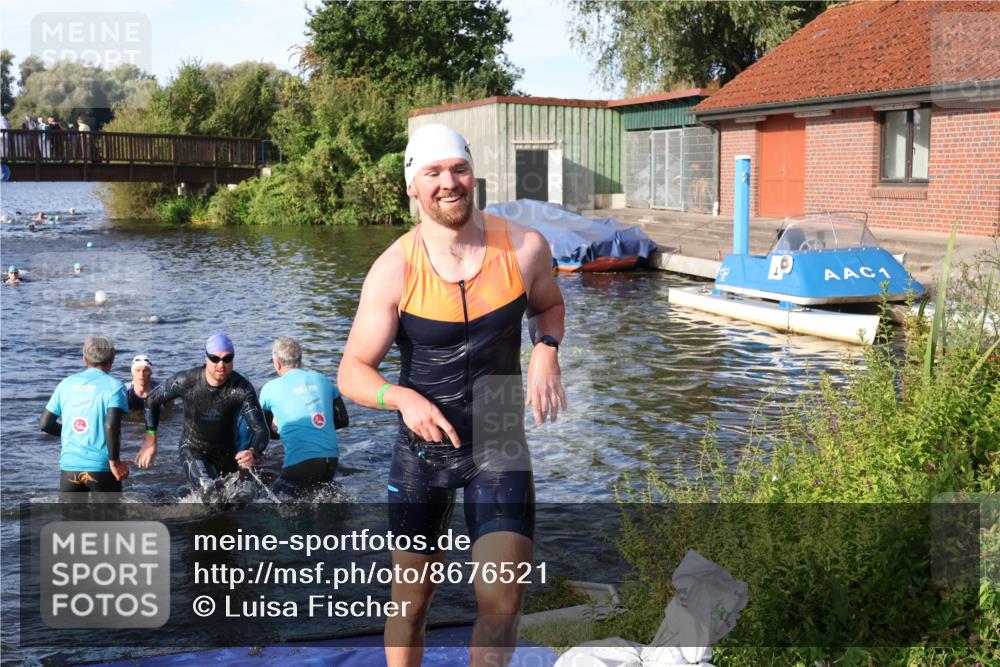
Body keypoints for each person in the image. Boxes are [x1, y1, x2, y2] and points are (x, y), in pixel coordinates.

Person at [338, 123, 567, 667]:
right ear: (412, 187)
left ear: (473, 175)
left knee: (502, 601)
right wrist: (400, 398)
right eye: (433, 173)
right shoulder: (394, 269)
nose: (449, 183)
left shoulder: (525, 248)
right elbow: (352, 370)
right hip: (424, 450)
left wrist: (547, 348)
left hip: (499, 438)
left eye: (459, 169)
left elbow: (549, 307)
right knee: (412, 605)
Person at [145, 333, 269, 491]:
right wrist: (151, 439)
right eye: (215, 359)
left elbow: (261, 430)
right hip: (193, 447)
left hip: (227, 452)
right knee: (208, 491)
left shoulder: (242, 389)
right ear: (206, 359)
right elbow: (151, 400)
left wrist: (253, 452)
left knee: (234, 502)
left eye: (227, 358)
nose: (221, 365)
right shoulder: (186, 381)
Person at [39, 336, 130, 493]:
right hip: (101, 468)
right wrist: (115, 462)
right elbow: (111, 425)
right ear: (113, 359)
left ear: (84, 358)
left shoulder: (65, 384)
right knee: (110, 518)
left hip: (69, 469)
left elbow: (45, 424)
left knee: (72, 518)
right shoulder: (115, 386)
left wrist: (72, 434)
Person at [259, 337, 348, 492]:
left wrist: (280, 431)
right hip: (331, 460)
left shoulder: (269, 389)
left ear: (277, 363)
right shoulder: (323, 379)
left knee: (270, 501)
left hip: (301, 463)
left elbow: (264, 432)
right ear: (299, 360)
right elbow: (343, 420)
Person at [126, 354, 162, 469]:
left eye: (145, 370)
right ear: (133, 372)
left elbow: (171, 409)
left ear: (150, 372)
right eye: (138, 370)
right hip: (131, 423)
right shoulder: (124, 391)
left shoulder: (159, 391)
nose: (141, 374)